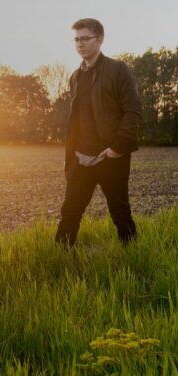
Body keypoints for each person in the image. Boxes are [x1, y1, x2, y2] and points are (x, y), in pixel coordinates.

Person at [56, 18, 141, 247]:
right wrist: (71, 158)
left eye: (85, 38)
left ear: (100, 40)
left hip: (110, 156)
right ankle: (59, 258)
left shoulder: (118, 69)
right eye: (76, 40)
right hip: (81, 158)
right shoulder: (75, 76)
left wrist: (116, 149)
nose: (80, 44)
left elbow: (132, 110)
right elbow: (75, 119)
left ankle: (133, 255)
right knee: (70, 212)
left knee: (120, 212)